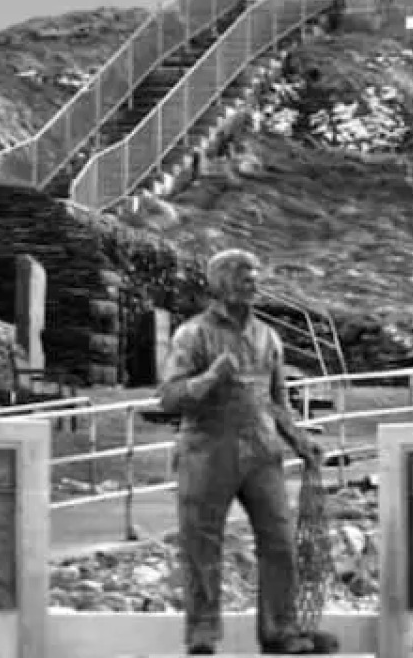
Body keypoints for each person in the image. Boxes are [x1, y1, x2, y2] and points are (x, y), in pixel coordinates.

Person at [159, 249, 332, 655]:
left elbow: (277, 401)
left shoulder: (268, 337)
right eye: (243, 275)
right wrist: (209, 378)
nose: (253, 281)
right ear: (219, 282)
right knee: (202, 543)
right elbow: (168, 397)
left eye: (255, 274)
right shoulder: (192, 334)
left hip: (262, 450)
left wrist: (300, 441)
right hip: (207, 448)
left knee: (279, 541)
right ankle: (202, 633)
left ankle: (281, 630)